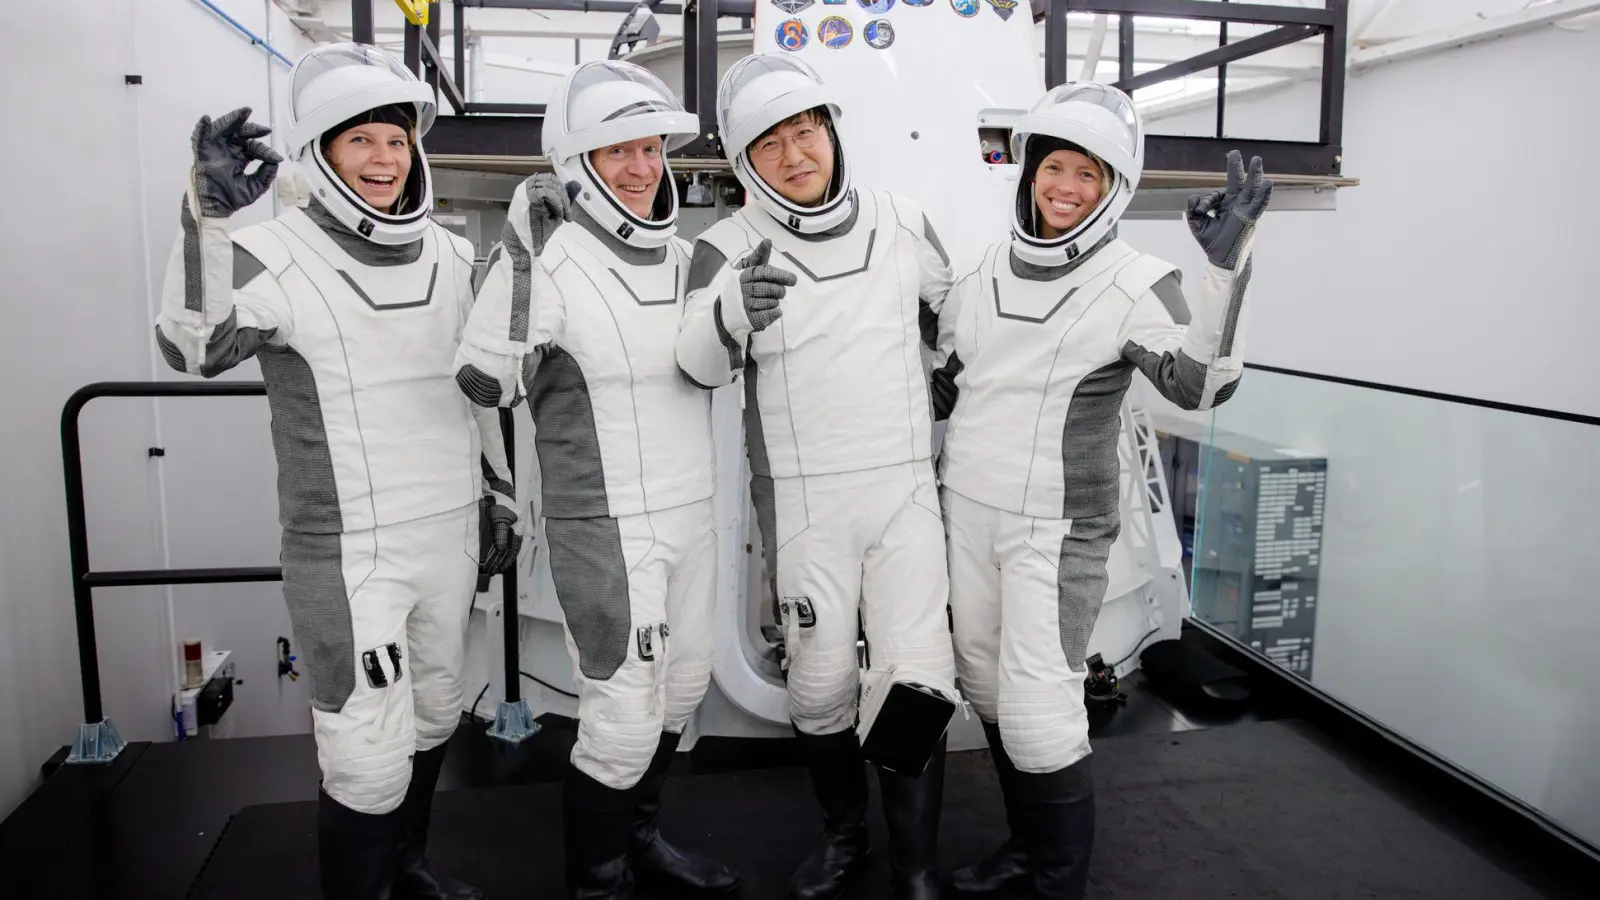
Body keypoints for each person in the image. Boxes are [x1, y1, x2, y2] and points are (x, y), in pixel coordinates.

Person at [154, 43, 525, 900]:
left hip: (447, 534)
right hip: (347, 553)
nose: (384, 161)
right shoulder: (275, 253)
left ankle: (409, 865)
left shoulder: (448, 253)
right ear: (321, 153)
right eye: (360, 141)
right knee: (364, 752)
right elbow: (192, 345)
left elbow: (474, 393)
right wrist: (207, 218)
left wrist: (500, 492)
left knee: (436, 714)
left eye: (396, 141)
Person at [928, 82, 1273, 900]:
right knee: (984, 689)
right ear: (1028, 171)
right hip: (964, 512)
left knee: (1043, 710)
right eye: (1055, 167)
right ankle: (1023, 846)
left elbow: (1199, 387)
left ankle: (1059, 882)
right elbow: (944, 385)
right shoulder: (977, 271)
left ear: (1114, 186)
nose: (1067, 188)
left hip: (1056, 528)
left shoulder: (1137, 281)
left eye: (1089, 173)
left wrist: (1227, 269)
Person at [453, 60, 740, 900]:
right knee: (619, 721)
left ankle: (641, 842)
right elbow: (483, 383)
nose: (642, 167)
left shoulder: (690, 258)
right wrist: (516, 255)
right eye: (619, 150)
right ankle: (599, 880)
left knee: (680, 696)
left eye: (651, 148)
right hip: (604, 530)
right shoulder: (548, 259)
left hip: (694, 518)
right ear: (578, 163)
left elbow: (719, 363)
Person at [674, 53, 958, 900]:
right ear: (743, 164)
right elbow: (693, 364)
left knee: (917, 681)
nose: (797, 156)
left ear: (832, 132)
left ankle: (914, 869)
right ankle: (846, 837)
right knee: (820, 685)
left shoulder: (902, 220)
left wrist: (950, 367)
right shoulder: (723, 247)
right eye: (771, 145)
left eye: (807, 133)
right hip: (803, 507)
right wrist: (731, 310)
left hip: (905, 495)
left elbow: (957, 316)